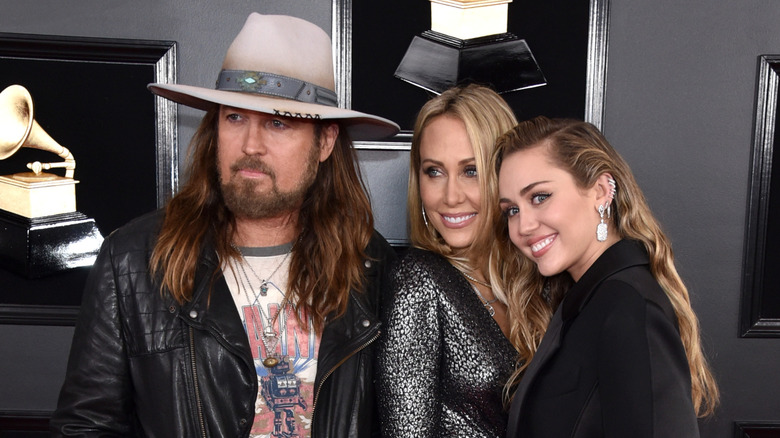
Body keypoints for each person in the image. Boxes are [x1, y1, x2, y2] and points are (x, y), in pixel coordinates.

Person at [50, 13, 400, 438]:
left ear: (324, 142)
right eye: (234, 118)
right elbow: (86, 426)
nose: (251, 145)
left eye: (278, 123)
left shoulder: (370, 266)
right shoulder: (134, 261)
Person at [494, 116, 720, 437]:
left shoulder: (628, 306)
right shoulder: (587, 299)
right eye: (511, 210)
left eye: (540, 197)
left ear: (600, 190)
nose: (523, 226)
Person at [377, 84, 518, 437]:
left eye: (471, 170)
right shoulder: (418, 281)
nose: (451, 196)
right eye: (434, 172)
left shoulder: (535, 283)